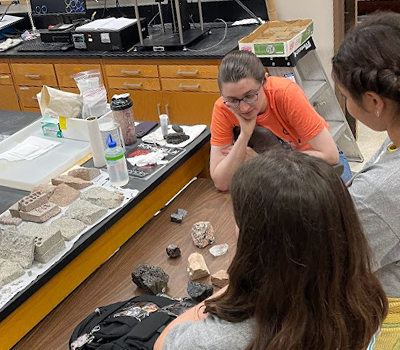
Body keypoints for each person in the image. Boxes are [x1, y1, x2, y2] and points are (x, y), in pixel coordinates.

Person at [154, 148, 387, 350]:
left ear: (257, 242)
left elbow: (163, 343)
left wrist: (232, 289)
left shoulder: (223, 339)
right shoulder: (367, 302)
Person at [332, 10, 400, 349]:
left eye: (345, 96)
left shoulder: (380, 191)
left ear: (373, 101)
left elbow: (336, 267)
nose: (345, 103)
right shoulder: (393, 144)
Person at [210, 50, 351, 191]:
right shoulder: (223, 108)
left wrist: (262, 161)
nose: (244, 108)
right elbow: (221, 183)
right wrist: (244, 135)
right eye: (233, 100)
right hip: (275, 172)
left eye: (250, 95)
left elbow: (331, 156)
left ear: (264, 81)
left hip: (314, 164)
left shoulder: (286, 94)